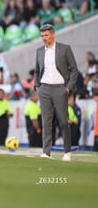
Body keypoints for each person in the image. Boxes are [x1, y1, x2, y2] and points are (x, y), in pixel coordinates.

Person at [34, 24, 78, 161]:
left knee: (64, 121)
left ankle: (67, 152)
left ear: (53, 34)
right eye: (42, 36)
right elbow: (37, 70)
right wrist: (37, 86)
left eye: (46, 35)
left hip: (60, 88)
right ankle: (46, 152)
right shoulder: (39, 51)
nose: (44, 38)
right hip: (44, 88)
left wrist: (69, 87)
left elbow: (74, 69)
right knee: (46, 121)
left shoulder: (65, 49)